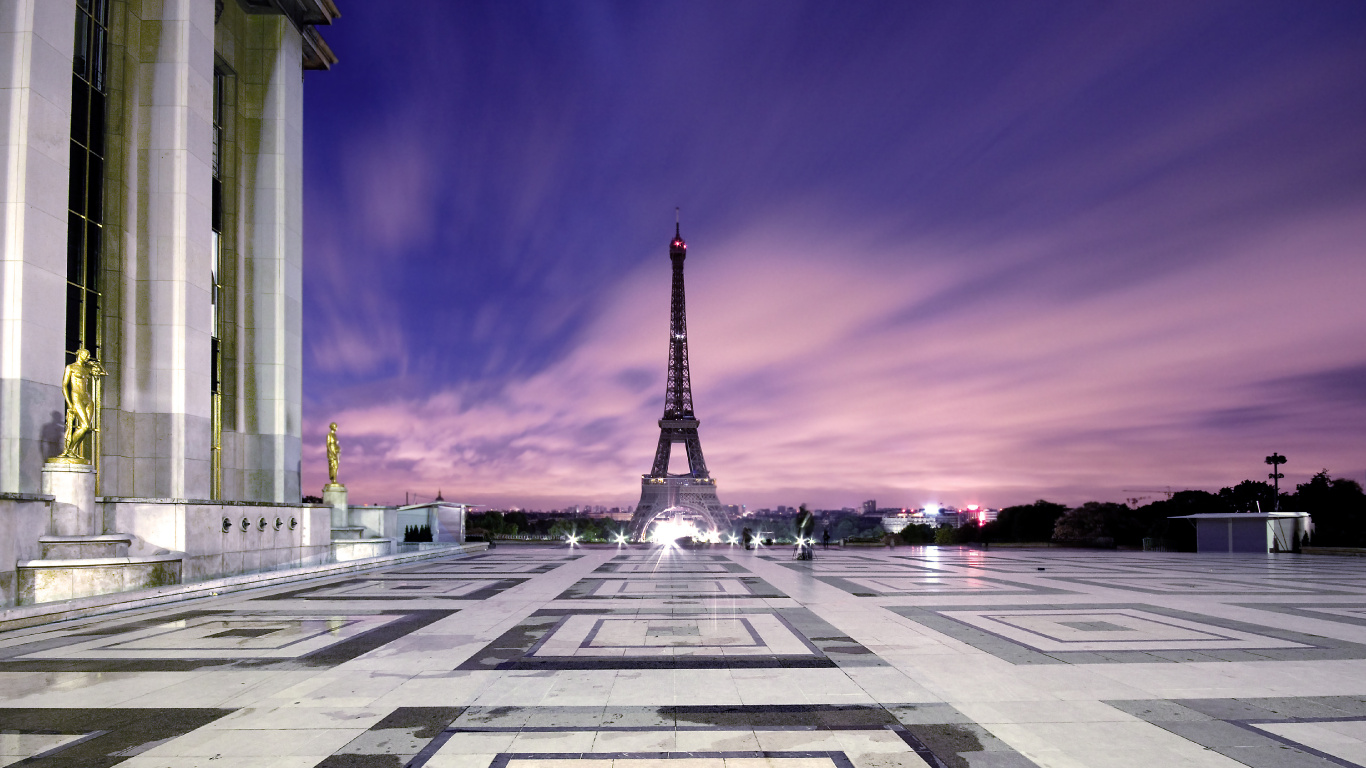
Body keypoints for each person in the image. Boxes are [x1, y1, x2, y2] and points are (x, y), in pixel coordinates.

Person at [54, 348, 106, 462]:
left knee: (86, 429)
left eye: (88, 355)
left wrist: (96, 364)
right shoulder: (71, 367)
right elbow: (64, 386)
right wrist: (69, 403)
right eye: (85, 354)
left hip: (87, 398)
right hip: (76, 397)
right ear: (79, 354)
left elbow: (104, 373)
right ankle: (68, 450)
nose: (87, 357)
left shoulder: (87, 369)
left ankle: (73, 451)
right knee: (85, 426)